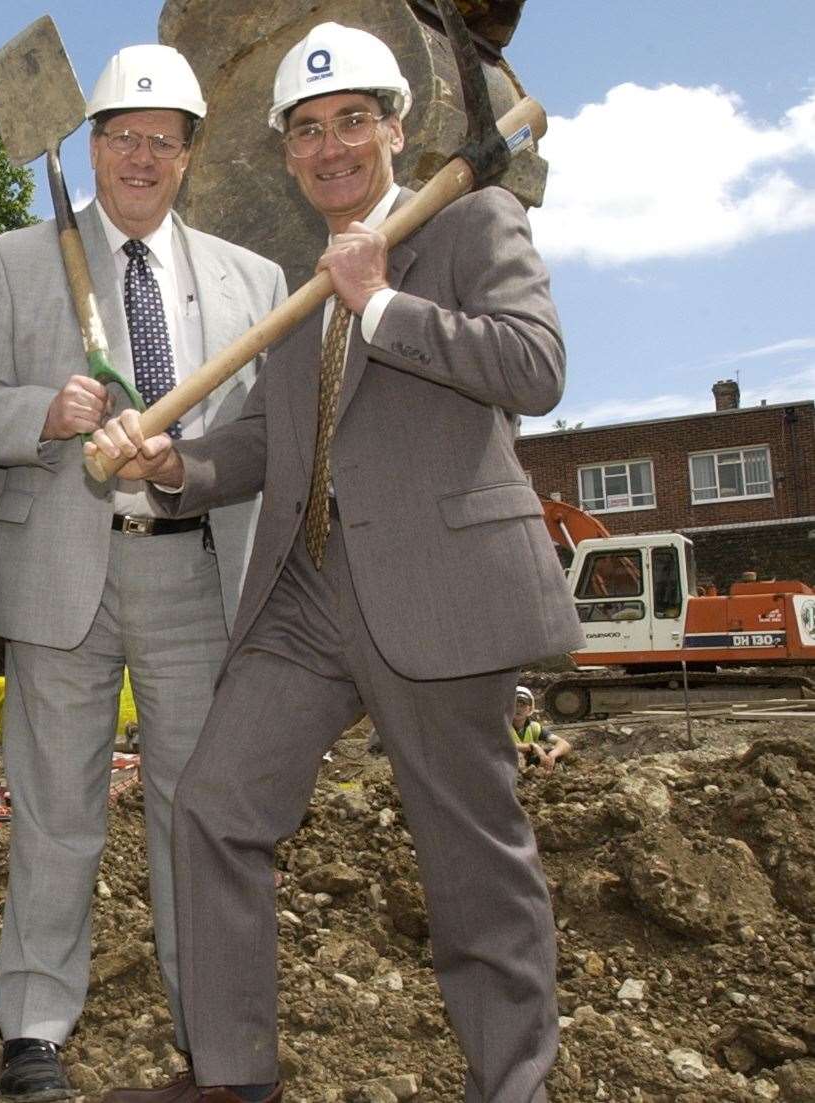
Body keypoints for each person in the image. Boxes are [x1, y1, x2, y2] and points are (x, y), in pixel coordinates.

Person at [87, 22, 581, 1103]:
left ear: (397, 127)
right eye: (307, 130)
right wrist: (176, 461)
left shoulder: (470, 222)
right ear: (286, 152)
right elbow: (269, 442)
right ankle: (231, 1075)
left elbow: (535, 366)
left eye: (353, 119)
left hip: (437, 591)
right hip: (307, 596)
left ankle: (515, 1086)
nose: (331, 147)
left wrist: (384, 304)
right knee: (214, 803)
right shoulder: (301, 286)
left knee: (470, 858)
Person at [0, 44, 286, 1102]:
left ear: (191, 155)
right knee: (57, 809)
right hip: (62, 569)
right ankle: (36, 1028)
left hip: (192, 571)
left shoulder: (254, 280)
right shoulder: (14, 260)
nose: (141, 156)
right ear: (92, 145)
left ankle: (214, 1034)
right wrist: (42, 413)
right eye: (122, 136)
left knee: (199, 812)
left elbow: (262, 444)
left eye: (163, 141)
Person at [512, 686, 569, 772]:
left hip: (528, 764)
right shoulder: (501, 727)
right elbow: (501, 746)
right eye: (514, 704)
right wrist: (532, 746)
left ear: (530, 709)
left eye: (523, 705)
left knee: (556, 754)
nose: (518, 708)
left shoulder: (534, 727)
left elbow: (564, 744)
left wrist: (552, 755)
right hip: (509, 767)